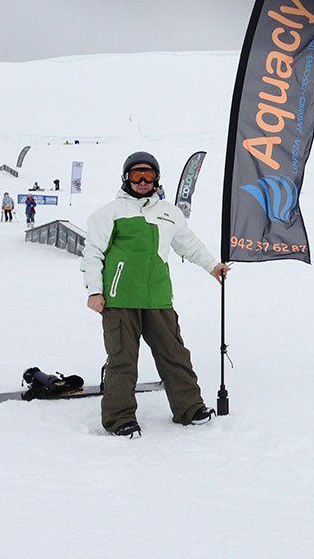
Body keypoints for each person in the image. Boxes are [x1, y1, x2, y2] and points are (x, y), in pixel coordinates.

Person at [80, 152, 230, 438]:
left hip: (157, 297)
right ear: (126, 178)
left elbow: (189, 244)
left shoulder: (169, 213)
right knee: (123, 359)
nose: (143, 181)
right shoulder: (110, 212)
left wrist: (212, 266)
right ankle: (119, 418)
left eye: (148, 176)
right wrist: (94, 291)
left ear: (157, 179)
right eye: (137, 175)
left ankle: (189, 408)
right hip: (119, 297)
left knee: (174, 354)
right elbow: (93, 253)